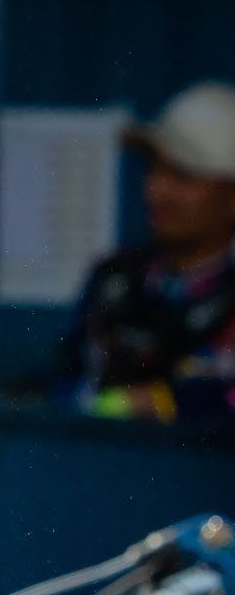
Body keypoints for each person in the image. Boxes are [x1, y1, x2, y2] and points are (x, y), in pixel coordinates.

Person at [56, 79, 235, 422]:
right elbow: (66, 383)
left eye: (184, 176)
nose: (159, 191)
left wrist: (164, 403)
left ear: (231, 198)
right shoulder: (112, 277)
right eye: (155, 168)